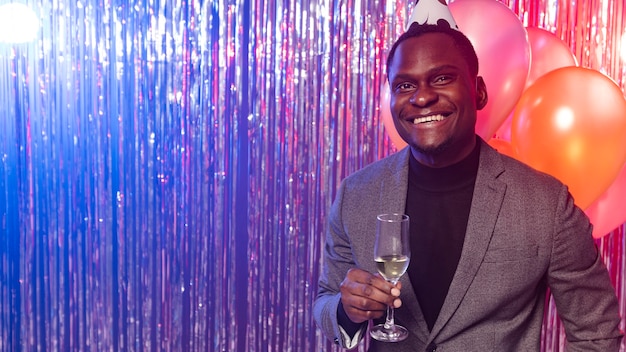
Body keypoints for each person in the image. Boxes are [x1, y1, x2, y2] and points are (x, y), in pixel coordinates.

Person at [313, 1, 624, 351]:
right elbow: (326, 299)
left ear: (478, 91)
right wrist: (346, 309)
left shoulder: (547, 205)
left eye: (442, 78)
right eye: (404, 86)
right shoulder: (357, 194)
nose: (423, 97)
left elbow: (596, 333)